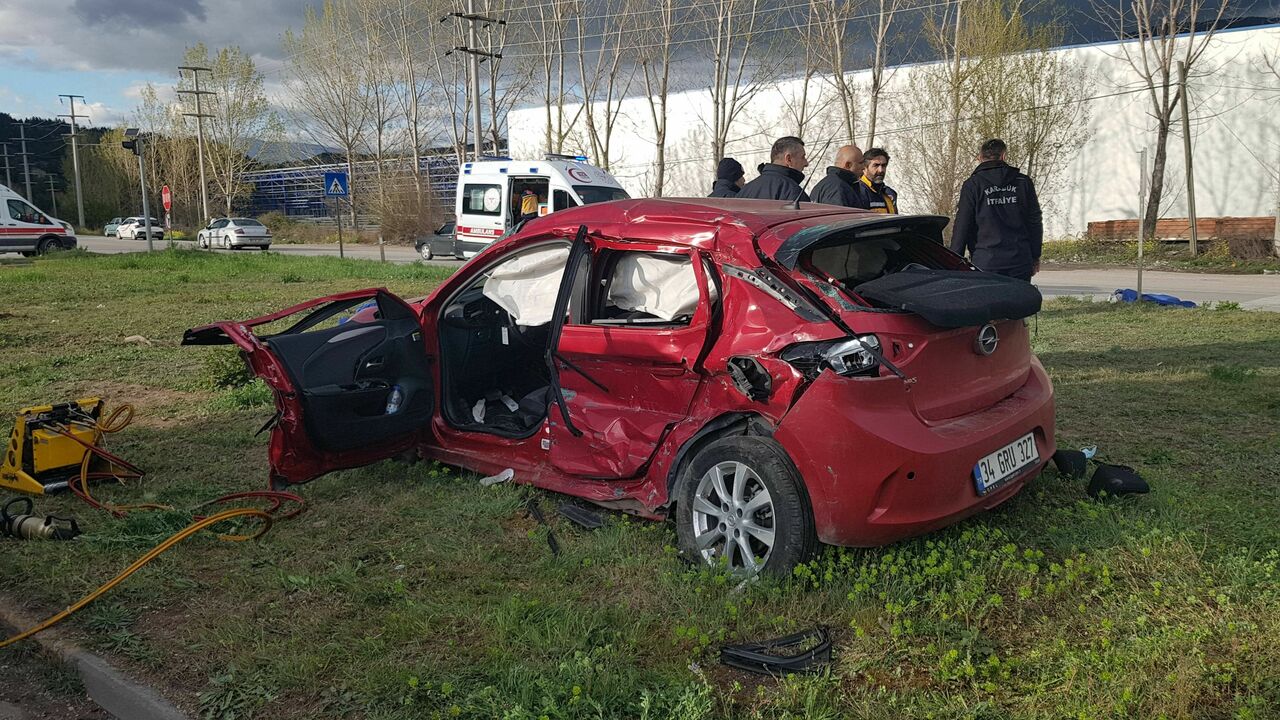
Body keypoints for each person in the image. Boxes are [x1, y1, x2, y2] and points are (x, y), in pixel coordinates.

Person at [950, 138, 1044, 281]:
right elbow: (1034, 222)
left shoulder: (973, 185)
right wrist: (1035, 256)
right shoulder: (1023, 182)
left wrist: (954, 262)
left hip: (986, 262)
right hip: (1019, 261)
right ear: (1003, 156)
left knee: (990, 297)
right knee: (1019, 296)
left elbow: (963, 224)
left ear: (980, 158)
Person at [737, 136, 810, 202]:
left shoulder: (744, 191)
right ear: (788, 159)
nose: (806, 163)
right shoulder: (794, 193)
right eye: (803, 157)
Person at [809, 145, 869, 209]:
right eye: (860, 163)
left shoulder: (824, 185)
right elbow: (837, 214)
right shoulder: (837, 188)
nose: (863, 167)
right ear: (848, 165)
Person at [859, 148, 898, 213]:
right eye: (876, 165)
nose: (881, 170)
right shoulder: (858, 192)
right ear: (864, 168)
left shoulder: (890, 193)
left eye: (884, 165)